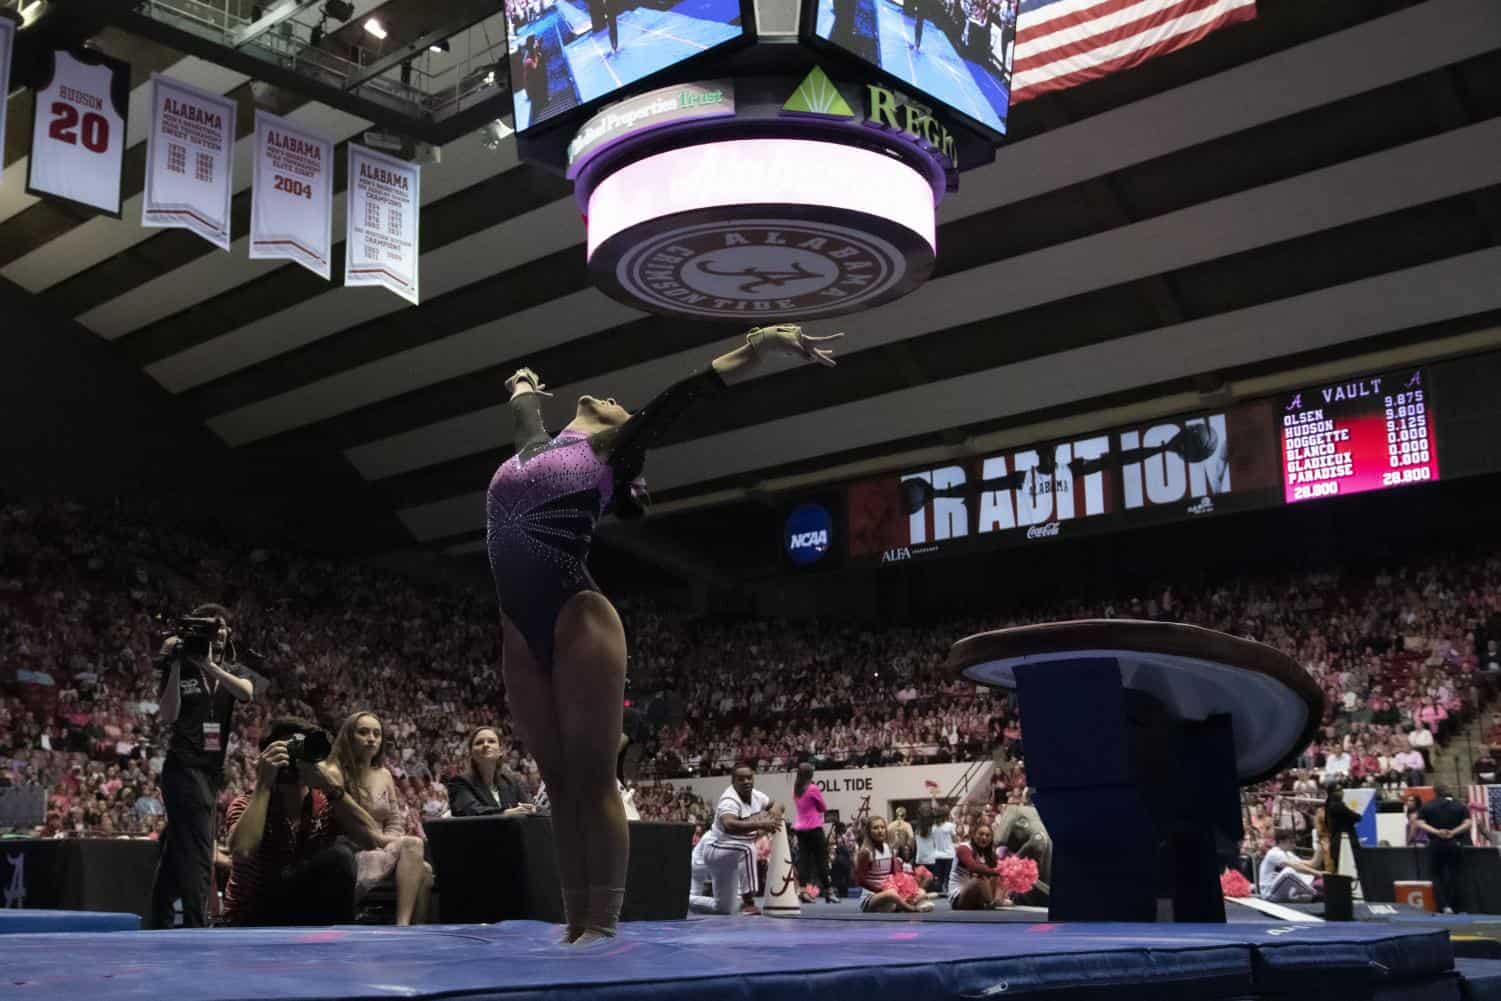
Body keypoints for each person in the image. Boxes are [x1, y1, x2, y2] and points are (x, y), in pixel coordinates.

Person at [488, 324, 838, 943]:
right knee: (557, 782)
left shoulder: (609, 452)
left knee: (593, 778)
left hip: (577, 614)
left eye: (622, 404)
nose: (611, 396)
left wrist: (759, 347)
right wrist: (521, 384)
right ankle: (574, 922)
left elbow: (687, 393)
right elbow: (522, 413)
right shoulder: (536, 444)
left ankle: (604, 921)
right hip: (518, 625)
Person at [149, 604, 256, 929]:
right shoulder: (180, 665)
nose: (220, 633)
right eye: (213, 628)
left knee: (178, 847)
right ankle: (198, 926)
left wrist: (210, 666)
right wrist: (179, 665)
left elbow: (246, 693)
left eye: (223, 628)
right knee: (198, 847)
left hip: (211, 771)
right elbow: (168, 715)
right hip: (182, 768)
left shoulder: (231, 669)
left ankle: (158, 917)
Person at [222, 718, 385, 926]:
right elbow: (243, 851)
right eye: (287, 751)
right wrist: (264, 783)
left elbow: (372, 839)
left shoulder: (326, 802)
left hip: (303, 908)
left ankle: (340, 943)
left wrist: (331, 787)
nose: (293, 759)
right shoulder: (247, 803)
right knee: (339, 856)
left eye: (301, 750)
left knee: (342, 854)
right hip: (253, 912)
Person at [327, 711, 434, 925]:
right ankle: (403, 927)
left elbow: (394, 820)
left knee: (426, 869)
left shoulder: (384, 775)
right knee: (414, 846)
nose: (371, 738)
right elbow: (345, 821)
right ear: (349, 736)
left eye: (376, 733)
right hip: (352, 846)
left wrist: (389, 844)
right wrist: (385, 844)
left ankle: (414, 928)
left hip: (383, 845)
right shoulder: (335, 772)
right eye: (363, 732)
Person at [689, 764, 785, 916]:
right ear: (733, 781)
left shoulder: (756, 796)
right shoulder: (729, 799)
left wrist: (773, 812)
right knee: (747, 849)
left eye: (749, 778)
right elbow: (729, 825)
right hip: (716, 848)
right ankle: (749, 903)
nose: (746, 781)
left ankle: (686, 901)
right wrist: (762, 823)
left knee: (723, 908)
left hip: (729, 853)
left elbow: (778, 804)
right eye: (741, 779)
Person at [445, 726, 539, 817]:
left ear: (500, 751)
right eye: (479, 743)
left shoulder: (512, 781)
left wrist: (531, 809)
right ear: (471, 753)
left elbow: (530, 806)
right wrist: (506, 813)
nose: (486, 745)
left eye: (491, 741)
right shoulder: (460, 782)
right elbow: (470, 811)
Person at [855, 815, 932, 912]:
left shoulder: (887, 848)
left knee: (921, 892)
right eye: (875, 828)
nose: (880, 830)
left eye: (882, 827)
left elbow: (893, 874)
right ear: (869, 831)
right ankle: (911, 909)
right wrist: (880, 889)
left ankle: (897, 906)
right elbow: (860, 880)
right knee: (891, 894)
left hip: (890, 891)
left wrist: (907, 883)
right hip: (872, 897)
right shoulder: (866, 852)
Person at [1416, 784, 1472, 914]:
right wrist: (1453, 832)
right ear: (1448, 791)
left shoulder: (1427, 806)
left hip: (1436, 843)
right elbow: (1468, 823)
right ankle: (1455, 905)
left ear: (1434, 792)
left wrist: (1436, 832)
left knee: (1436, 875)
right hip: (1454, 842)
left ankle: (1443, 905)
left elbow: (1420, 823)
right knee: (1454, 874)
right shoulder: (1459, 805)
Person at [792, 763, 833, 903]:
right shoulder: (813, 788)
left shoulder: (796, 790)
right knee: (821, 860)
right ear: (811, 774)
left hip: (800, 830)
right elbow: (823, 807)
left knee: (804, 861)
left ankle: (803, 891)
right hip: (814, 828)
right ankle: (828, 892)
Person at [949, 819, 1003, 910]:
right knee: (980, 878)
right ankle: (990, 902)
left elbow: (1002, 867)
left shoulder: (990, 854)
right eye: (981, 834)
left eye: (987, 835)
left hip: (978, 898)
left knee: (1000, 875)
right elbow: (972, 866)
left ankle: (997, 900)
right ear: (973, 835)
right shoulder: (963, 848)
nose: (984, 838)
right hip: (958, 897)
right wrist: (996, 871)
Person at [1258, 830, 1325, 903]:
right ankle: (1315, 893)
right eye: (1291, 842)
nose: (1294, 845)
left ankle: (1312, 893)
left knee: (1303, 874)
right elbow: (1296, 867)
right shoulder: (1273, 853)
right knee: (1289, 871)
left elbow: (1312, 864)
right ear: (1281, 841)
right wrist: (1318, 873)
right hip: (1269, 894)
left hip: (1281, 891)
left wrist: (1320, 845)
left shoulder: (1288, 854)